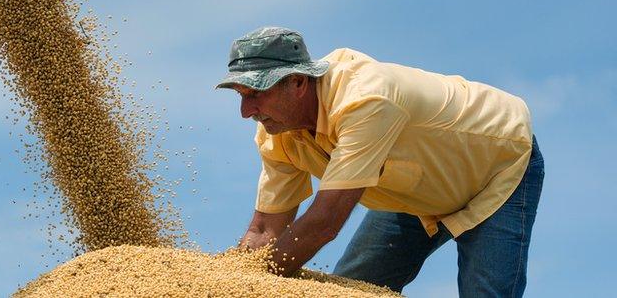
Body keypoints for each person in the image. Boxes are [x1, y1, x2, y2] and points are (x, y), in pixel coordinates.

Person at [217, 27, 543, 297]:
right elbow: (264, 230)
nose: (246, 112)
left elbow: (324, 222)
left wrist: (252, 286)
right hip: (413, 190)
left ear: (298, 82)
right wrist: (232, 278)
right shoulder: (277, 133)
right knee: (356, 286)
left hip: (497, 167)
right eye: (242, 96)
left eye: (256, 94)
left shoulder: (365, 99)